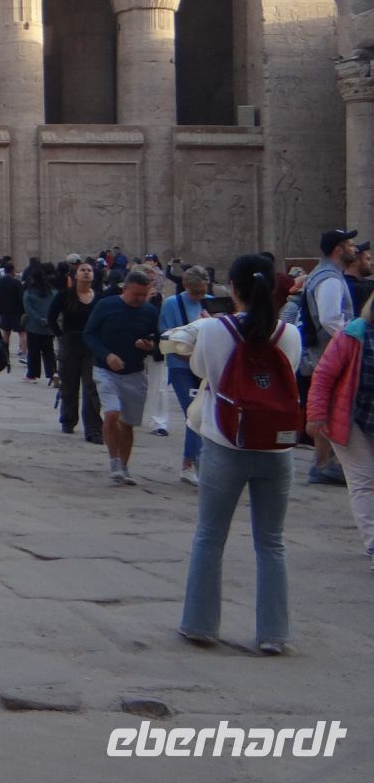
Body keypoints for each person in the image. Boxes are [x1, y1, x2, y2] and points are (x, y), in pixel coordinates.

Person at [180, 254, 302, 653]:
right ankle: (273, 634)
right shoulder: (289, 333)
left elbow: (201, 372)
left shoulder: (216, 330)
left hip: (225, 442)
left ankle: (200, 624)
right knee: (272, 543)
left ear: (232, 288)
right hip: (276, 446)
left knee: (210, 537)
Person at [306, 291, 374, 573]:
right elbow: (324, 375)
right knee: (364, 480)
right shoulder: (354, 333)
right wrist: (316, 415)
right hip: (352, 417)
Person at [83, 269, 161, 486]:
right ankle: (114, 460)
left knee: (127, 423)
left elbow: (159, 343)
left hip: (135, 372)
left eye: (143, 295)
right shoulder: (106, 306)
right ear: (124, 289)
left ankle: (124, 467)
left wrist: (149, 346)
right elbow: (89, 334)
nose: (139, 299)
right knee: (112, 412)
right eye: (135, 294)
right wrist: (106, 355)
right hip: (106, 370)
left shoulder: (149, 312)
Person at [296, 229, 357, 485]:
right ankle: (324, 464)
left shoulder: (323, 275)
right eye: (350, 245)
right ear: (338, 249)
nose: (354, 249)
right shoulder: (329, 279)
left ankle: (324, 464)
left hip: (321, 352)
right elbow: (330, 318)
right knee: (330, 408)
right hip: (326, 353)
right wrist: (352, 339)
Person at [159, 265, 213, 485]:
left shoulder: (211, 301)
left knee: (204, 414)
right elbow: (166, 336)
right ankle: (191, 464)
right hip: (181, 365)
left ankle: (196, 462)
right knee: (193, 414)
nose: (199, 296)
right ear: (185, 287)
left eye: (202, 292)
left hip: (206, 364)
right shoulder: (173, 304)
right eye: (195, 292)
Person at [48, 260, 103, 442]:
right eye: (83, 270)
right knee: (69, 385)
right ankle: (68, 420)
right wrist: (60, 335)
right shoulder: (65, 296)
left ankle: (94, 428)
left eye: (89, 270)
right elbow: (51, 318)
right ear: (75, 275)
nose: (86, 273)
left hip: (91, 345)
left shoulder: (99, 297)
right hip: (70, 343)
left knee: (91, 386)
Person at [21, 267, 57, 385]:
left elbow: (29, 310)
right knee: (49, 351)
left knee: (34, 351)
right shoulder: (52, 291)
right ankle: (53, 373)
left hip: (34, 326)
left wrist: (39, 319)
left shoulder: (29, 292)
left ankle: (32, 374)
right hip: (49, 327)